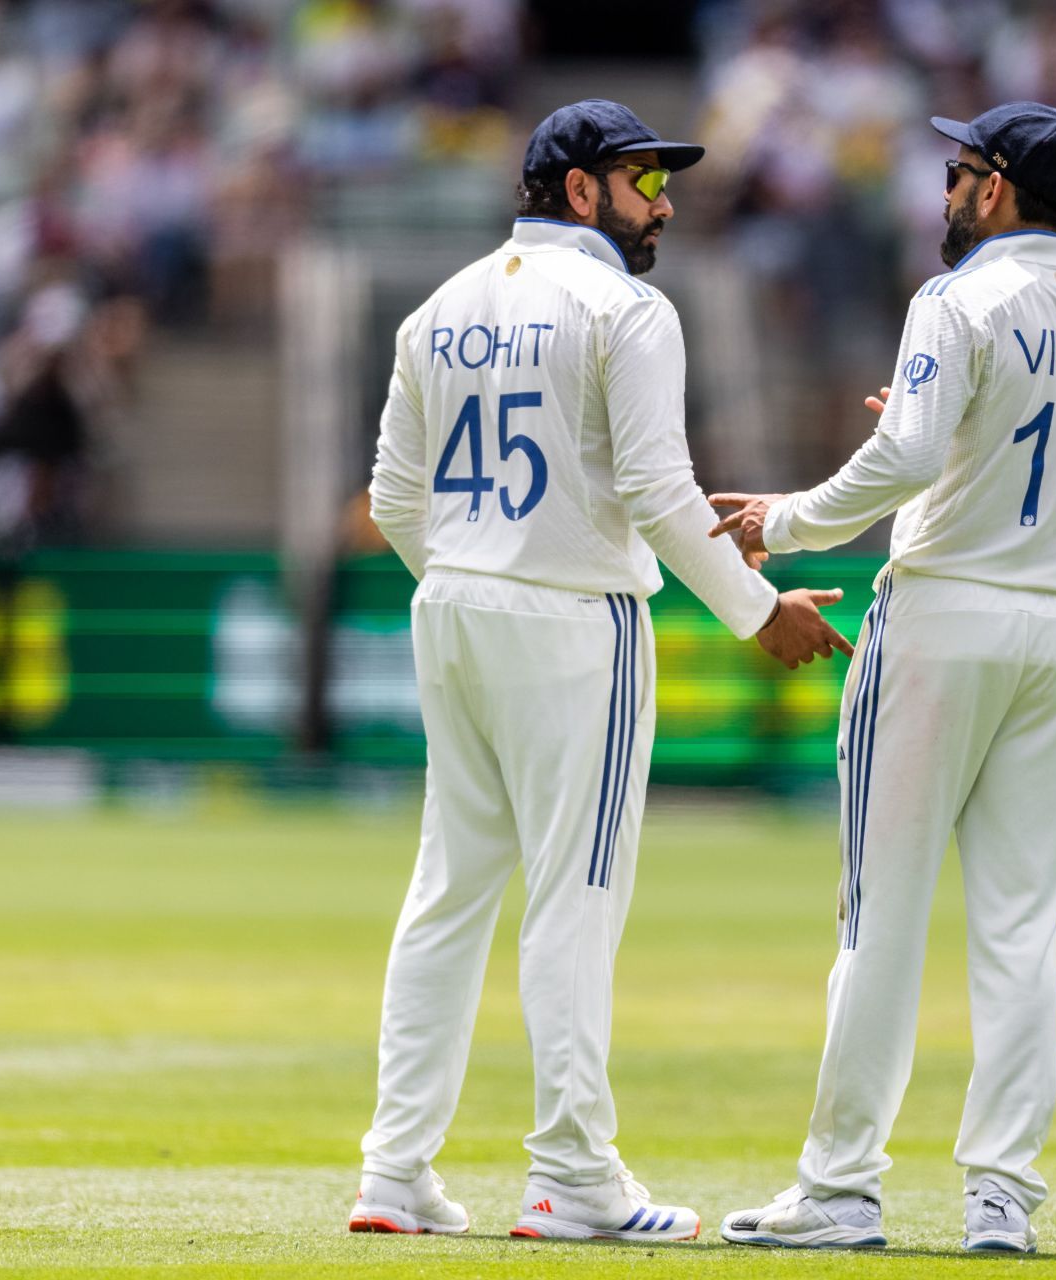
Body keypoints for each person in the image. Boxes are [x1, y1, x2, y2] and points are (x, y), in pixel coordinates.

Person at [356, 98, 852, 1243]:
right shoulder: (627, 308)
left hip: (455, 606)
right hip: (574, 623)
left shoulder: (441, 309)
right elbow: (660, 493)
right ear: (579, 190)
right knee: (573, 900)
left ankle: (395, 1171)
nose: (663, 203)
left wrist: (481, 568)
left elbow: (391, 499)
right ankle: (572, 1177)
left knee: (448, 891)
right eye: (643, 182)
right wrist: (756, 610)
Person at [709, 102, 1056, 1253]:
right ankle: (1002, 1194)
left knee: (882, 911)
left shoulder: (955, 301)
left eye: (962, 171)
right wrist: (934, 457)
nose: (948, 190)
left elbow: (911, 454)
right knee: (1020, 926)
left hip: (945, 617)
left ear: (1000, 188)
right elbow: (988, 463)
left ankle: (842, 1187)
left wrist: (787, 520)